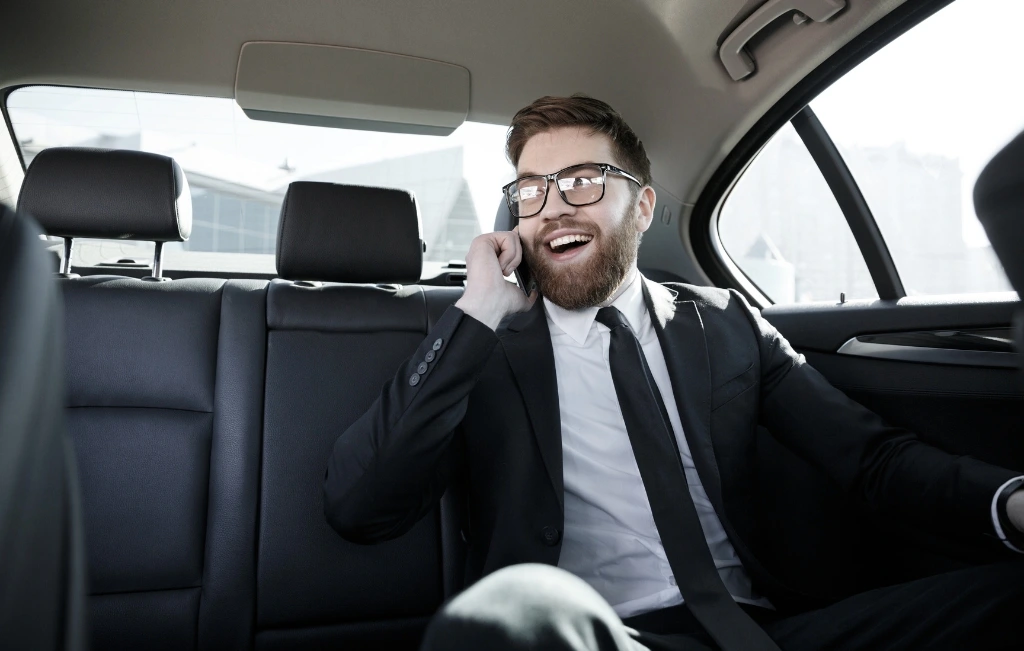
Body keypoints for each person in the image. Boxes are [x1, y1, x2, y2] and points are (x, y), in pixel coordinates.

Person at [323, 94, 1024, 651]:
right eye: (531, 190)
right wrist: (476, 312)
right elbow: (359, 506)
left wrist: (1012, 502)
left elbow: (871, 459)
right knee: (510, 623)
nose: (553, 204)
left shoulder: (725, 321)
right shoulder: (484, 345)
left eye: (584, 180)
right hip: (598, 635)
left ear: (645, 205)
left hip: (762, 628)